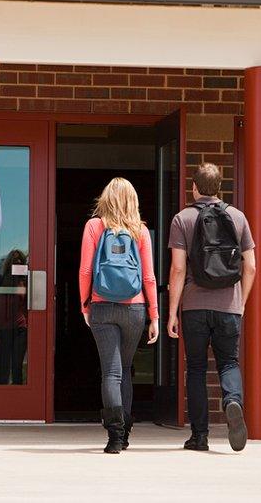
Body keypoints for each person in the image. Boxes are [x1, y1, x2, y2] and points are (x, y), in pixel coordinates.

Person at [167, 162, 256, 453]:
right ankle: (232, 401)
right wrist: (240, 303)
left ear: (194, 187)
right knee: (229, 362)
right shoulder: (238, 217)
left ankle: (199, 436)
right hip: (229, 305)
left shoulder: (183, 218)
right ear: (220, 187)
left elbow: (178, 269)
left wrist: (172, 312)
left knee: (195, 368)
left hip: (194, 307)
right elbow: (251, 267)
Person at [78, 177, 159, 454]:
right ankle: (125, 433)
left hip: (101, 305)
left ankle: (113, 438)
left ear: (105, 199)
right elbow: (148, 276)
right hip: (135, 308)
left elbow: (86, 271)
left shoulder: (94, 226)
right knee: (124, 370)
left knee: (110, 372)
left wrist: (84, 305)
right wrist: (155, 315)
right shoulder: (141, 231)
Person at [0, 249, 28, 385]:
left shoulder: (27, 281)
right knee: (3, 370)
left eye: (20, 261)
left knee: (17, 369)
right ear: (8, 263)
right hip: (2, 330)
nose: (16, 264)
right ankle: (0, 403)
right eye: (13, 261)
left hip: (21, 330)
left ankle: (19, 403)